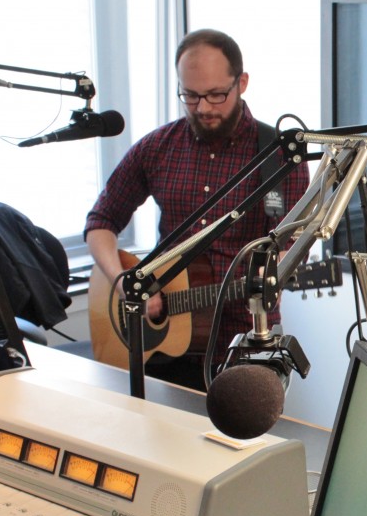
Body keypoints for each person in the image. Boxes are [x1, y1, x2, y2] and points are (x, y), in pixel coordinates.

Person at [85, 29, 310, 391]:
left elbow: (296, 241)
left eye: (216, 95)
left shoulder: (280, 156)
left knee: (242, 446)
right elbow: (101, 221)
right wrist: (123, 281)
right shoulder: (158, 147)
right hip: (163, 348)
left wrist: (281, 268)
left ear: (242, 82)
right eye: (189, 96)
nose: (203, 108)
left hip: (247, 340)